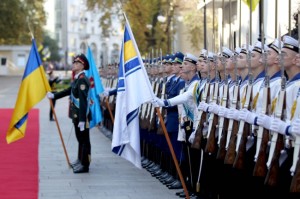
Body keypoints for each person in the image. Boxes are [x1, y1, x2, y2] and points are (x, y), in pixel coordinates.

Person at [47, 53, 92, 174]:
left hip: (82, 116)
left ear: (82, 66)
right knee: (80, 139)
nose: (74, 65)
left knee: (84, 140)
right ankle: (80, 160)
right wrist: (54, 95)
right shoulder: (77, 79)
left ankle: (85, 165)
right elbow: (68, 91)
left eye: (77, 63)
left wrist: (83, 120)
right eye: (74, 63)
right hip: (77, 115)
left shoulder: (82, 80)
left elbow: (83, 102)